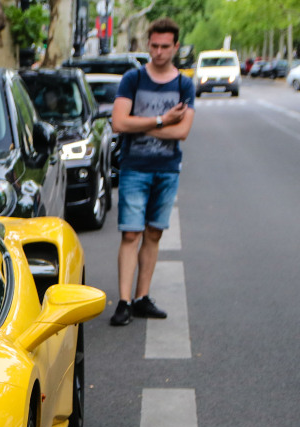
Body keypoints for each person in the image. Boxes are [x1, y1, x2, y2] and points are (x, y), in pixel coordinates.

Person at [108, 17, 195, 327]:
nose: (158, 52)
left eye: (165, 47)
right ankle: (124, 302)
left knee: (153, 234)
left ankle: (142, 297)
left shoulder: (184, 84)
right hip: (135, 168)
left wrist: (141, 125)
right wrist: (161, 121)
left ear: (175, 47)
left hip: (167, 170)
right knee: (131, 233)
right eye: (154, 45)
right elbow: (119, 123)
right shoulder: (133, 79)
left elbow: (182, 132)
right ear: (149, 44)